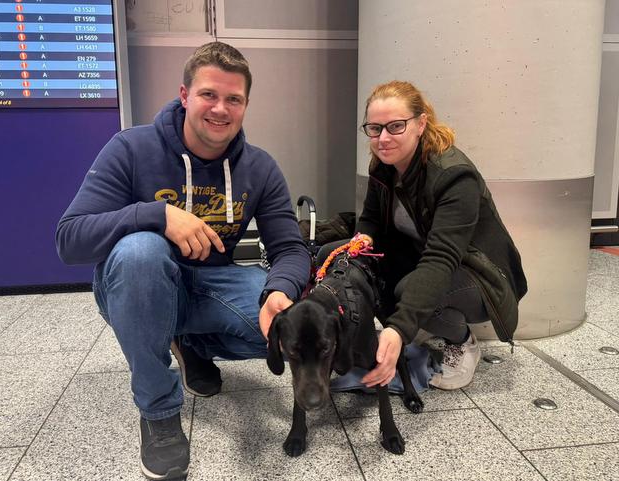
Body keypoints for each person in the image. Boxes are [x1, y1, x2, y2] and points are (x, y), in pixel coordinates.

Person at [55, 42, 310, 480]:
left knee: (288, 334)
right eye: (209, 94)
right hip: (140, 285)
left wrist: (280, 291)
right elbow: (70, 240)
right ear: (185, 95)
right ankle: (158, 412)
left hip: (212, 286)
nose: (221, 109)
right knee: (140, 250)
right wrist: (156, 215)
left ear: (246, 105)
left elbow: (290, 249)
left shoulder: (260, 167)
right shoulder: (130, 148)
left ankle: (191, 344)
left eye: (233, 99)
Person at [353, 80, 527, 393]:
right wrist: (363, 239)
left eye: (395, 126)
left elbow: (440, 258)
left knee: (408, 291)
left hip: (481, 274)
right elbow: (371, 220)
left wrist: (400, 327)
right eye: (375, 129)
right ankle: (407, 326)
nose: (383, 138)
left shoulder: (454, 175)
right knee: (347, 259)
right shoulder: (384, 165)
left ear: (421, 124)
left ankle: (462, 341)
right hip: (425, 257)